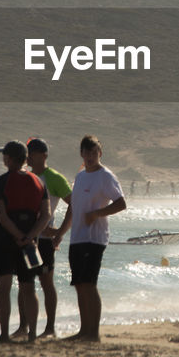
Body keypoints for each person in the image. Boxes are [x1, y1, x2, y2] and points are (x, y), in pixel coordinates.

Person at [57, 134, 126, 342]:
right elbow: (73, 206)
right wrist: (60, 233)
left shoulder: (105, 176)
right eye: (86, 152)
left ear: (100, 154)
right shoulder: (80, 176)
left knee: (89, 284)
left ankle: (93, 333)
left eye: (94, 152)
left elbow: (121, 203)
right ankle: (83, 330)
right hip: (76, 237)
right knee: (79, 284)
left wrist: (97, 214)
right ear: (81, 154)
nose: (90, 156)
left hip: (94, 238)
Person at [0, 141, 50, 342]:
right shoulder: (39, 182)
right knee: (29, 287)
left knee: (3, 288)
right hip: (30, 241)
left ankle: (5, 334)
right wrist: (29, 237)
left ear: (9, 159)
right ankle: (32, 334)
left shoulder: (0, 182)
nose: (3, 159)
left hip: (5, 240)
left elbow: (2, 215)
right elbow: (45, 215)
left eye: (4, 156)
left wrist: (17, 236)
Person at [18, 137, 71, 339]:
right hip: (28, 239)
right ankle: (23, 327)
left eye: (32, 153)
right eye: (27, 153)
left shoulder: (54, 178)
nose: (28, 156)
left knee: (46, 283)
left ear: (44, 155)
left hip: (45, 241)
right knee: (24, 283)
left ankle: (50, 328)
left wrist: (59, 232)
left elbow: (73, 205)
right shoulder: (26, 177)